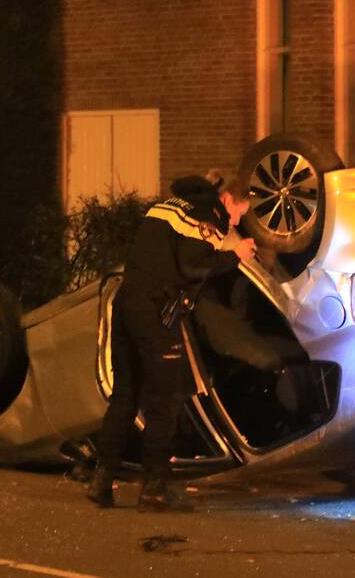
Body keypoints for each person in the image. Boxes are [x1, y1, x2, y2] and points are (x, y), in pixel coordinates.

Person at [87, 169, 256, 512]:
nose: (237, 221)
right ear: (226, 199)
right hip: (154, 310)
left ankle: (101, 481)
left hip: (126, 304)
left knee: (125, 396)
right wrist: (235, 255)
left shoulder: (168, 206)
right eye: (239, 212)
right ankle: (155, 489)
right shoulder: (207, 216)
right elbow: (194, 266)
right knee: (164, 400)